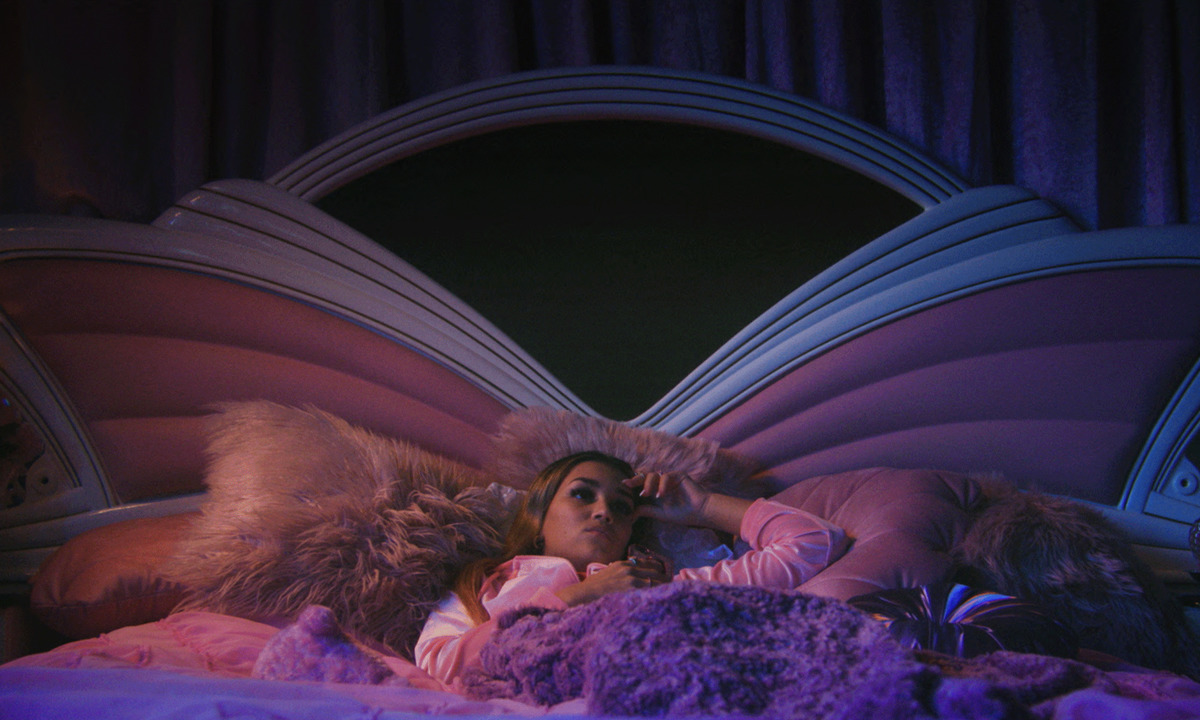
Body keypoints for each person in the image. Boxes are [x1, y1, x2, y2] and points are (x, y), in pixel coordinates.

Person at [414, 450, 848, 688]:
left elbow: (813, 541)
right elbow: (438, 664)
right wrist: (573, 598)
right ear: (539, 516)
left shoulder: (662, 585)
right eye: (582, 495)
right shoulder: (488, 584)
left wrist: (702, 506)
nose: (604, 511)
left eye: (622, 507)